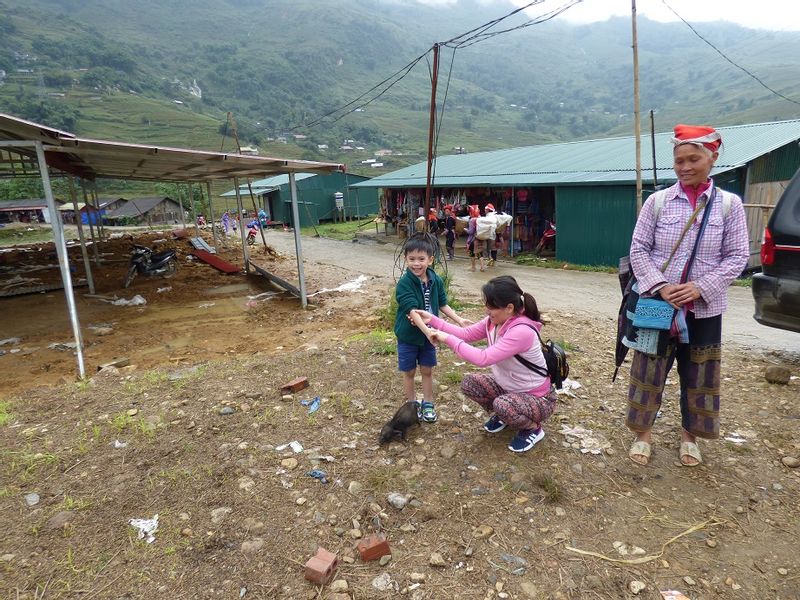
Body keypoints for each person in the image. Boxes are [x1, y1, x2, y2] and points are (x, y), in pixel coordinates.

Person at [625, 124, 749, 467]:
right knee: (649, 369)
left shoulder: (729, 205)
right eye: (679, 160)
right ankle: (643, 435)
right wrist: (662, 286)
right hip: (657, 306)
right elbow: (639, 250)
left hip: (704, 310)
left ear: (713, 158)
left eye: (693, 159)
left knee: (698, 373)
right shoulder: (658, 202)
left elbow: (738, 255)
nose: (684, 167)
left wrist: (700, 287)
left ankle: (689, 437)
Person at [411, 275, 556, 452]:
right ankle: (506, 416)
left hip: (538, 398)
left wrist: (446, 338)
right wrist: (432, 320)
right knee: (470, 384)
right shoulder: (494, 322)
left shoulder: (521, 331)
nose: (486, 310)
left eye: (490, 306)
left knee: (502, 404)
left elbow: (483, 358)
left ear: (509, 308)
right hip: (511, 388)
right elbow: (466, 334)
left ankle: (532, 428)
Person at [394, 233, 467, 423]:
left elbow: (442, 304)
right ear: (405, 259)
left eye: (421, 259)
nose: (416, 264)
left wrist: (459, 320)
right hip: (409, 336)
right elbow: (412, 311)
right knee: (409, 372)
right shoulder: (404, 284)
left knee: (427, 370)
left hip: (430, 335)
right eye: (411, 259)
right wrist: (428, 332)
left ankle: (428, 403)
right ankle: (412, 405)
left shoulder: (436, 280)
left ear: (430, 259)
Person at [481, 203, 498, 267]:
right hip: (494, 233)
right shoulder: (494, 215)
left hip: (489, 233)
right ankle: (494, 261)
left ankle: (490, 258)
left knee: (488, 247)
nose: (485, 211)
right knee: (493, 247)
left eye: (485, 210)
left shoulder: (488, 216)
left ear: (487, 210)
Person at [466, 204, 481, 271]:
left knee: (472, 254)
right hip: (479, 238)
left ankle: (473, 267)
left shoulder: (472, 220)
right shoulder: (480, 218)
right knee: (480, 253)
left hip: (472, 240)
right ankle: (482, 267)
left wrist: (465, 230)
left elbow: (471, 232)